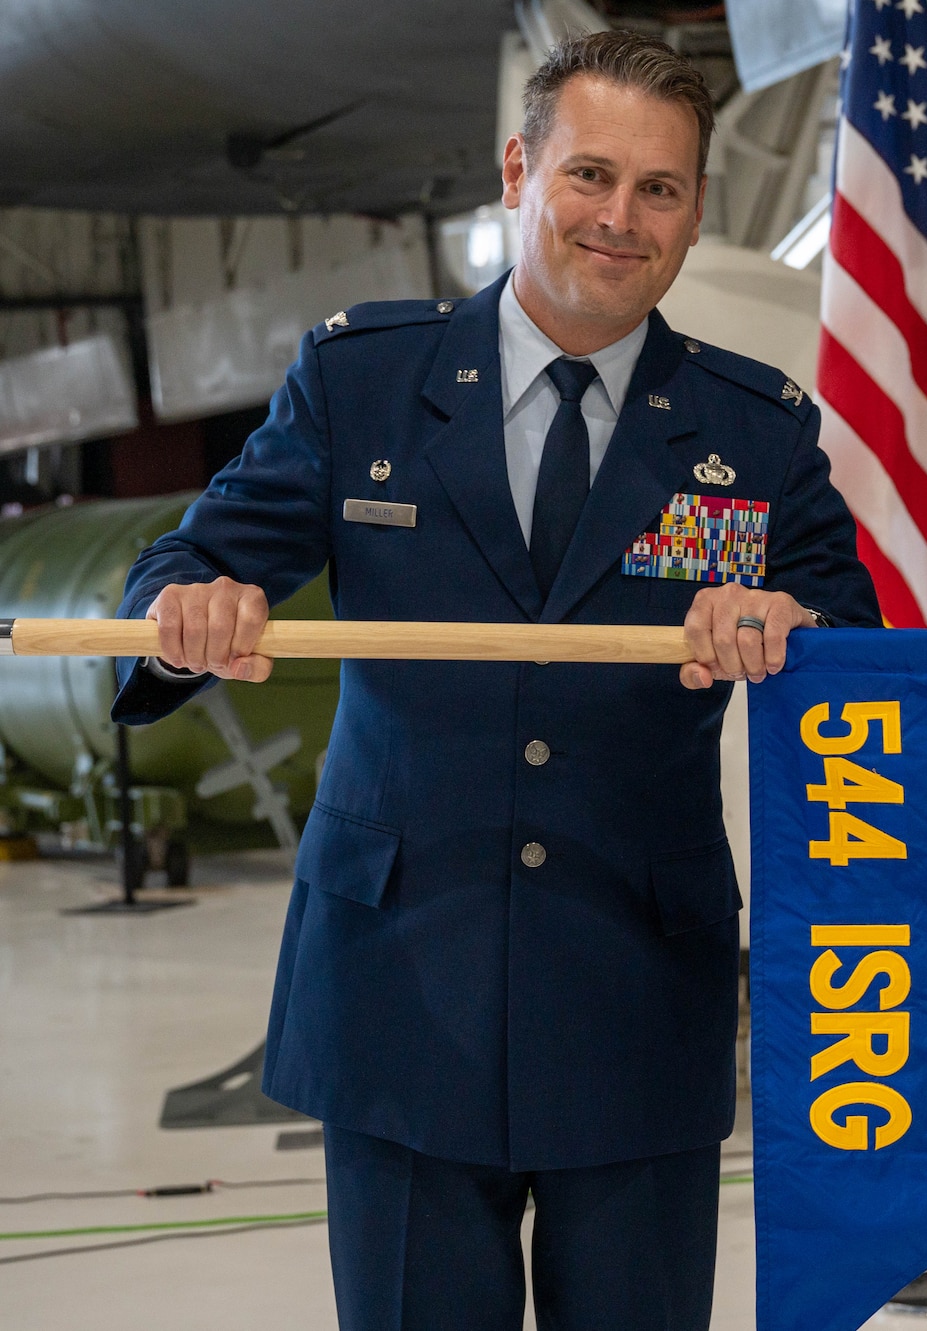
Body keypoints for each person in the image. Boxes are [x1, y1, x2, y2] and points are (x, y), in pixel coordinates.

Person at [111, 31, 879, 1331]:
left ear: (696, 212)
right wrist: (182, 609)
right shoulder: (365, 384)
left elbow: (857, 656)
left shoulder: (755, 432)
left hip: (636, 1001)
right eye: (590, 175)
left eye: (661, 189)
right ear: (518, 170)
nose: (620, 219)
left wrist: (794, 624)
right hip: (401, 996)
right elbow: (185, 563)